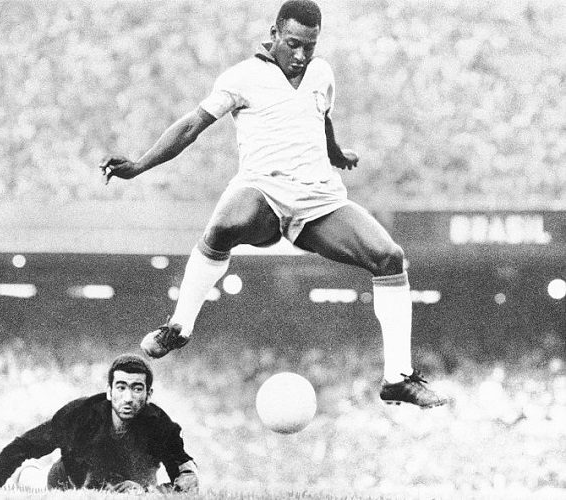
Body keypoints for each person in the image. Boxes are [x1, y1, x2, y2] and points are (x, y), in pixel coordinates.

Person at [100, 0, 447, 409]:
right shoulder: (242, 77)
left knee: (390, 257)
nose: (300, 56)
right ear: (275, 33)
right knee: (223, 226)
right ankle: (179, 326)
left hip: (317, 200)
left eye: (309, 47)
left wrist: (336, 154)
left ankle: (396, 378)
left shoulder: (322, 73)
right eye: (293, 43)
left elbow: (321, 117)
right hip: (262, 192)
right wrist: (139, 165)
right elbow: (192, 125)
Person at [0, 354, 198, 492]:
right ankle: (28, 475)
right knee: (33, 481)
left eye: (137, 388)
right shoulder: (81, 414)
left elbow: (187, 480)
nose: (128, 397)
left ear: (149, 394)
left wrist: (149, 492)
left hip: (128, 487)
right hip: (66, 483)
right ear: (109, 391)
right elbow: (26, 444)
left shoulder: (161, 426)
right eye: (121, 387)